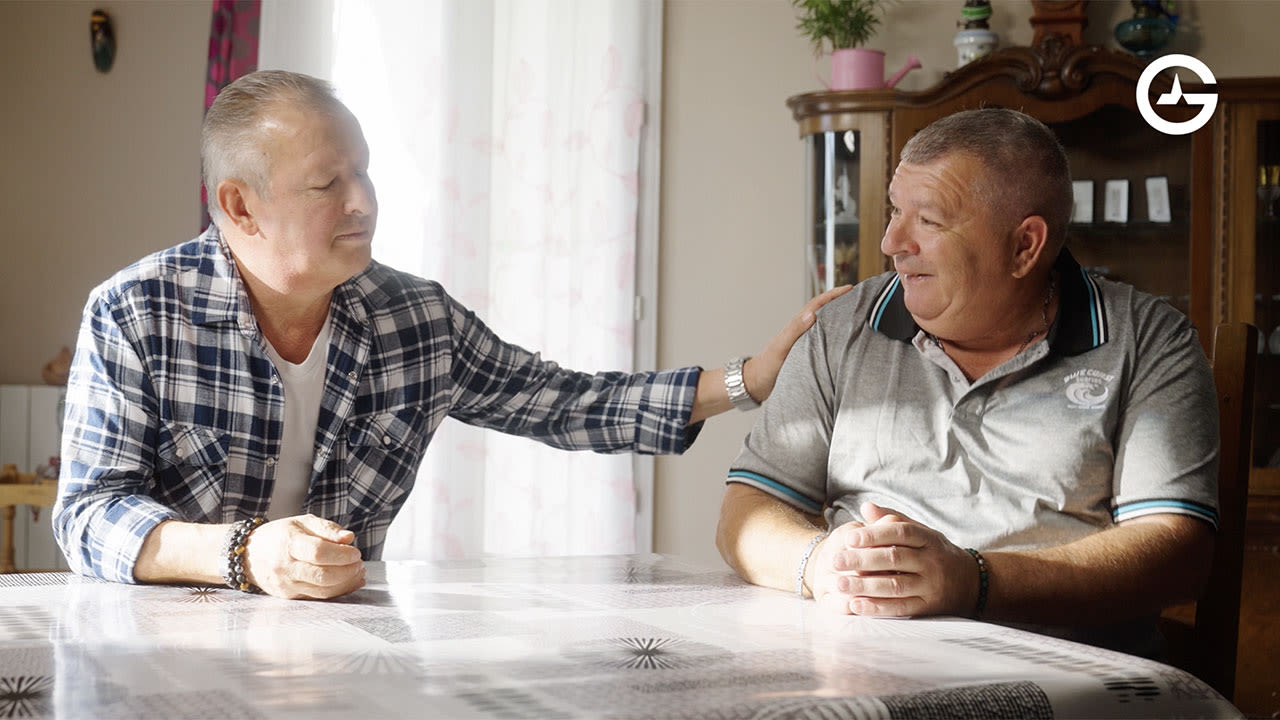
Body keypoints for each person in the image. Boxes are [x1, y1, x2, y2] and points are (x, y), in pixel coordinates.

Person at [53, 70, 849, 601]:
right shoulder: (134, 312)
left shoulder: (414, 318)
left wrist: (749, 379)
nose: (364, 202)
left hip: (342, 662)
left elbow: (561, 402)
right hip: (168, 654)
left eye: (364, 172)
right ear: (239, 205)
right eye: (329, 183)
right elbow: (87, 515)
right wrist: (247, 554)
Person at [715, 108, 1217, 655]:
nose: (891, 241)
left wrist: (974, 581)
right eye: (895, 211)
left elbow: (1178, 554)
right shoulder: (842, 326)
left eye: (928, 221)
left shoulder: (1148, 339)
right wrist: (820, 565)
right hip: (860, 661)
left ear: (1024, 246)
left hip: (1058, 673)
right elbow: (746, 510)